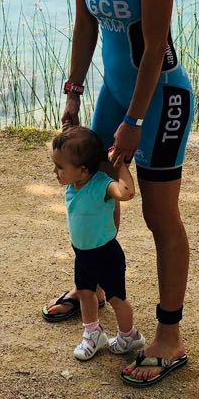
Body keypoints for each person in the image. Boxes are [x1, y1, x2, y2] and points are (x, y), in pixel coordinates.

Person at [43, 0, 194, 387]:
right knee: (92, 191)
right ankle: (98, 288)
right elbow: (85, 22)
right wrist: (74, 92)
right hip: (112, 94)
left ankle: (169, 336)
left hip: (161, 99)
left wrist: (134, 121)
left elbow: (154, 47)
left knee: (158, 216)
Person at [50, 126, 145, 361]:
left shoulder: (101, 185)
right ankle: (93, 333)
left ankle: (129, 336)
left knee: (116, 299)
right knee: (85, 293)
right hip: (82, 254)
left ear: (83, 170)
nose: (55, 171)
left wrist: (120, 165)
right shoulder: (73, 184)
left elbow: (126, 193)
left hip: (106, 255)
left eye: (60, 167)